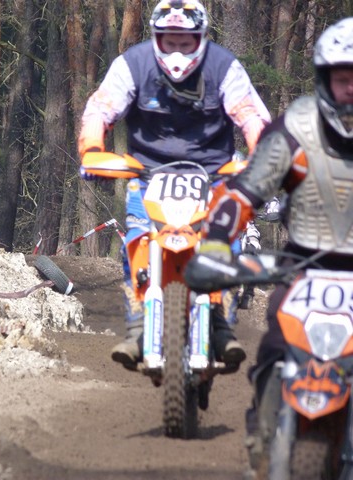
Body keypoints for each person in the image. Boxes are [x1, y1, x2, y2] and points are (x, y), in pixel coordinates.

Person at [191, 17, 353, 474]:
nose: (352, 90)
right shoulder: (296, 129)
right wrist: (215, 243)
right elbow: (245, 192)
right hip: (304, 267)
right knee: (277, 346)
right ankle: (263, 445)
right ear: (324, 79)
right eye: (344, 79)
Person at [78, 0, 271, 369]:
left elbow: (252, 117)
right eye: (170, 41)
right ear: (156, 38)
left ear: (201, 38)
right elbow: (100, 109)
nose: (178, 51)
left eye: (186, 42)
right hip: (148, 172)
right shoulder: (132, 65)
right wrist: (91, 150)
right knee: (138, 239)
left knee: (225, 239)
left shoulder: (224, 66)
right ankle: (138, 325)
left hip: (213, 172)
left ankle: (219, 320)